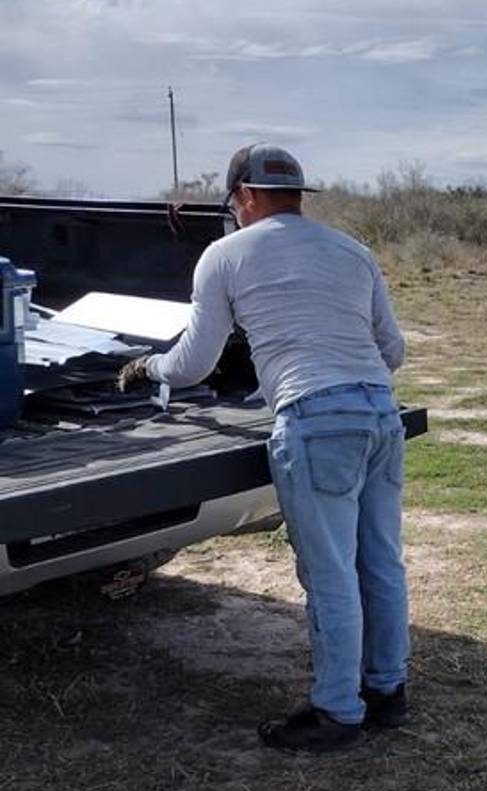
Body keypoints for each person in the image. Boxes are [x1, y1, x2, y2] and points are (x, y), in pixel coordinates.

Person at [118, 144, 409, 753]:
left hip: (315, 419)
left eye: (233, 203)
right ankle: (387, 690)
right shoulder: (352, 251)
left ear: (245, 196)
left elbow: (195, 363)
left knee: (330, 573)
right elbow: (393, 350)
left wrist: (149, 367)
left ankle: (335, 712)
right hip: (381, 415)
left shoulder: (224, 255)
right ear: (298, 195)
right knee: (380, 561)